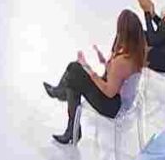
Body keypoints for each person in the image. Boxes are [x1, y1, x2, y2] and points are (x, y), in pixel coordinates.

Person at [42, 10, 146, 144]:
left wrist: (89, 69)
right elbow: (119, 78)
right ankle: (70, 123)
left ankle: (60, 95)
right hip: (121, 99)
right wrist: (107, 64)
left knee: (74, 70)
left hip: (111, 105)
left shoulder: (122, 61)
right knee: (74, 80)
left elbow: (109, 92)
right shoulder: (137, 52)